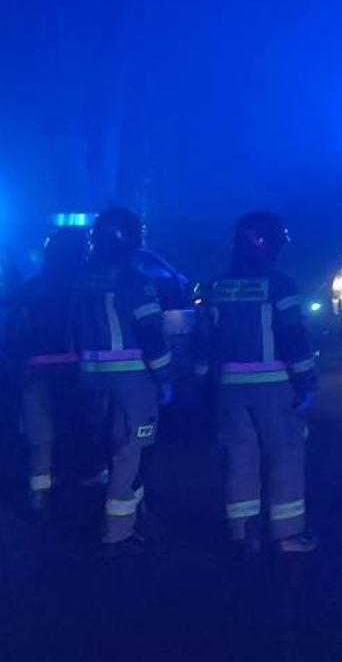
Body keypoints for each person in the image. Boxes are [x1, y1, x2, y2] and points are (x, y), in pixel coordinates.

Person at [193, 211, 318, 557]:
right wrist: (306, 381)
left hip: (228, 387)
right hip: (274, 384)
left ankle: (242, 531)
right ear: (269, 243)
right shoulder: (280, 285)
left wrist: (202, 382)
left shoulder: (216, 286)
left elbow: (203, 339)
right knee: (285, 454)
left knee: (239, 455)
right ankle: (287, 535)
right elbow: (292, 335)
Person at [72, 208, 174, 552]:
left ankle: (97, 513)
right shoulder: (134, 281)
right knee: (133, 450)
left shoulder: (79, 279)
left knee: (101, 446)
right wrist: (164, 376)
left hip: (90, 378)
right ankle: (119, 531)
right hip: (133, 381)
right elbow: (150, 334)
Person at [11, 226, 89, 519]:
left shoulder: (31, 289)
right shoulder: (84, 288)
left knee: (40, 435)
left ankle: (40, 496)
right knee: (78, 430)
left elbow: (14, 330)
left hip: (36, 369)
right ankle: (81, 492)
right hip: (77, 368)